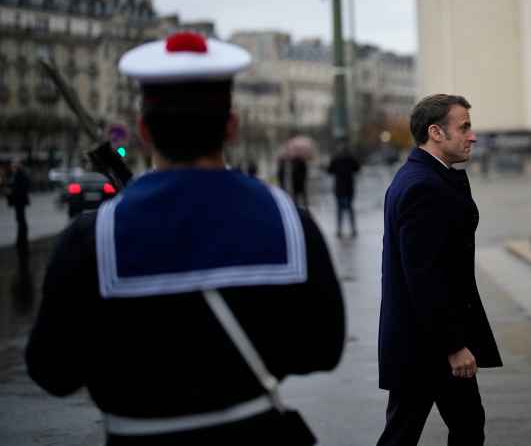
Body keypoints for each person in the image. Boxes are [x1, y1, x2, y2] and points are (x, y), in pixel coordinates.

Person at [26, 31, 345, 445]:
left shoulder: (92, 236)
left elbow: (53, 371)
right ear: (231, 128)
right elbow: (322, 350)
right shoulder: (290, 221)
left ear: (143, 130)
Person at [377, 94, 502, 446]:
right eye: (464, 127)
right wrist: (454, 346)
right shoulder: (423, 186)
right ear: (436, 132)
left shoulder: (424, 176)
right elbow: (425, 277)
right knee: (448, 429)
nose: (472, 136)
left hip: (421, 340)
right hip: (429, 346)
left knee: (459, 425)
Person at [327, 141, 361, 238]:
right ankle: (353, 229)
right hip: (349, 188)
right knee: (350, 209)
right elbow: (357, 168)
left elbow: (329, 170)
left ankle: (339, 230)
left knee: (339, 210)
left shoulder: (335, 159)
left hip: (339, 188)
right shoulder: (351, 159)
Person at [7, 158, 31, 274]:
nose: (12, 167)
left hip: (19, 201)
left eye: (13, 165)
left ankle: (22, 241)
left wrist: (12, 192)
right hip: (19, 201)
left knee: (21, 220)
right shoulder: (19, 174)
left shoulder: (19, 174)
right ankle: (21, 240)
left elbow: (20, 187)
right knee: (20, 220)